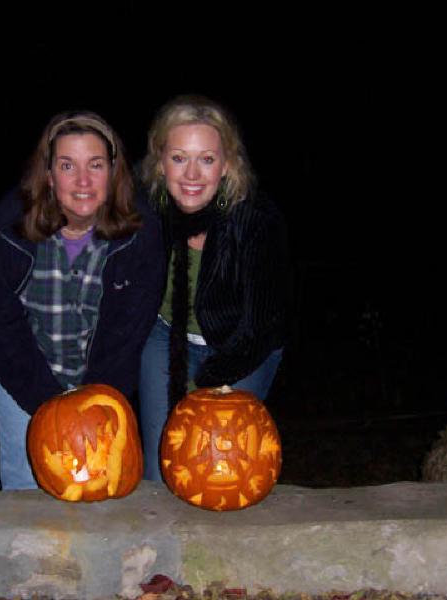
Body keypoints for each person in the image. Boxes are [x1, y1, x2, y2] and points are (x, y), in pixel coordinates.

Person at [0, 111, 165, 490]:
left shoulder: (142, 234)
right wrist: (46, 403)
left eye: (96, 165)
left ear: (114, 171)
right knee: (27, 483)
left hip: (100, 374)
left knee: (98, 481)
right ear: (49, 175)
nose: (83, 181)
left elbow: (127, 333)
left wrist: (93, 403)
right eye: (67, 165)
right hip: (19, 369)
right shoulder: (7, 229)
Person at [138, 95, 288, 481]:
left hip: (239, 345)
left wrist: (202, 387)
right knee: (163, 467)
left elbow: (262, 324)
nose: (191, 174)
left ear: (226, 165)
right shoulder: (147, 208)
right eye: (178, 158)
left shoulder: (255, 220)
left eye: (206, 159)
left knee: (219, 469)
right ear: (160, 162)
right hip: (165, 335)